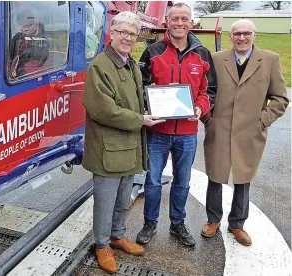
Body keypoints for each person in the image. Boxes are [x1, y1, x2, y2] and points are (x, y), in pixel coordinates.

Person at [82, 11, 164, 274]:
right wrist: (140, 119)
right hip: (109, 148)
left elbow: (136, 98)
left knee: (122, 199)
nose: (128, 38)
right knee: (105, 202)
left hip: (128, 147)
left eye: (133, 33)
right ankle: (102, 244)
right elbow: (103, 110)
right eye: (123, 32)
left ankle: (117, 236)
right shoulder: (100, 66)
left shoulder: (129, 63)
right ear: (113, 33)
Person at [201, 19, 289, 246]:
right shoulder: (217, 58)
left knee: (243, 178)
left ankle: (237, 223)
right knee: (215, 175)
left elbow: (280, 98)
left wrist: (262, 120)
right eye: (237, 33)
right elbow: (205, 91)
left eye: (246, 33)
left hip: (251, 130)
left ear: (254, 35)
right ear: (231, 36)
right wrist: (208, 119)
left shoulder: (270, 60)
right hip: (219, 128)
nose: (242, 38)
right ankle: (213, 219)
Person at [136, 2, 217, 247]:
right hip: (157, 131)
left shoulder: (202, 53)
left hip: (187, 133)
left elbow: (210, 90)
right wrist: (154, 100)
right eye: (175, 19)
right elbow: (140, 87)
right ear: (166, 22)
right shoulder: (153, 51)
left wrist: (200, 108)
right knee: (152, 181)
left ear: (191, 23)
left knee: (182, 182)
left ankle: (177, 224)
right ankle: (149, 223)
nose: (179, 23)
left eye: (184, 19)